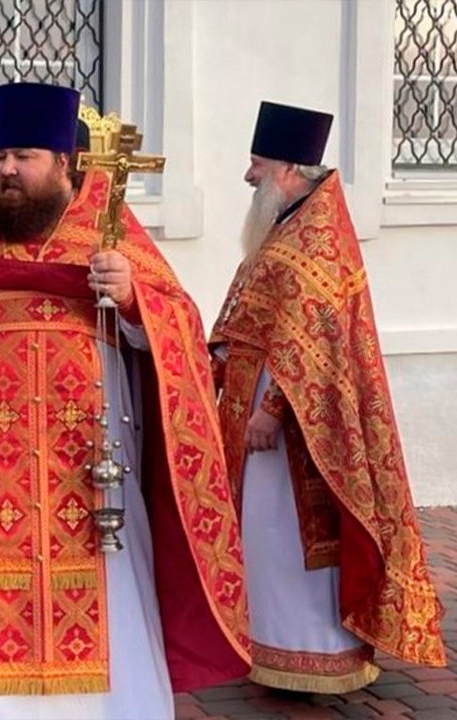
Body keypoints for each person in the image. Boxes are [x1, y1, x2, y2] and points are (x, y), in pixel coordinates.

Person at [0, 82, 251, 720]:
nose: (6, 169)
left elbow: (170, 328)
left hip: (91, 457)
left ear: (63, 163)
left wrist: (133, 297)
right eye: (2, 155)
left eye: (24, 156)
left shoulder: (109, 238)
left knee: (106, 577)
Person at [211, 101, 445, 693]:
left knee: (294, 536)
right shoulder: (288, 221)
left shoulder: (315, 236)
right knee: (266, 536)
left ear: (289, 168)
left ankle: (313, 655)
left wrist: (268, 413)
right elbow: (257, 310)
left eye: (256, 165)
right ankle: (273, 647)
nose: (247, 176)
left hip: (297, 430)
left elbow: (306, 341)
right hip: (267, 410)